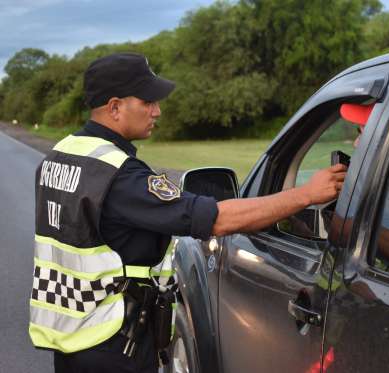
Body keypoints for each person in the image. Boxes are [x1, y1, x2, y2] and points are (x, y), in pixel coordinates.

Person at [30, 52, 347, 373]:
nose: (158, 111)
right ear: (114, 107)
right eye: (148, 102)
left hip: (72, 334)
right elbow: (217, 219)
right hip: (113, 339)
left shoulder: (61, 154)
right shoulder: (120, 177)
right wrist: (306, 194)